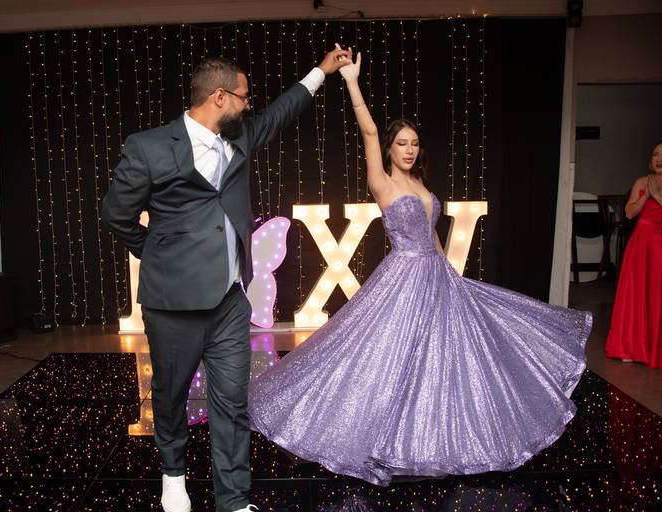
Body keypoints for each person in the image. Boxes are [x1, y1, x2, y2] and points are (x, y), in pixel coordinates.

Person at [248, 49, 592, 486]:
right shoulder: (383, 182)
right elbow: (369, 130)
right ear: (389, 149)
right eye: (401, 144)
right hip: (403, 278)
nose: (409, 150)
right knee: (387, 358)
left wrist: (449, 272)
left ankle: (430, 437)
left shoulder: (420, 184)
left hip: (436, 275)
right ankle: (375, 435)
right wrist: (351, 82)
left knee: (440, 359)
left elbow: (431, 233)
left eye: (414, 144)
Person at [101, 48, 351, 512]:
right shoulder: (149, 146)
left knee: (232, 403)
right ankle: (173, 476)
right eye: (243, 97)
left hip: (230, 303)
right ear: (219, 97)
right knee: (170, 397)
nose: (249, 105)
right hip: (172, 305)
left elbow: (280, 112)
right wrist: (158, 254)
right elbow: (116, 215)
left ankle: (234, 500)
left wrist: (321, 71)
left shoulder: (239, 137)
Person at [605, 140, 662, 368]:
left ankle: (654, 347)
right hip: (643, 241)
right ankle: (631, 345)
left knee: (657, 292)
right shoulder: (641, 181)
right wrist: (645, 195)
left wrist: (657, 195)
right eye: (656, 154)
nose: (659, 159)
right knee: (637, 291)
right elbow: (629, 213)